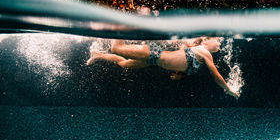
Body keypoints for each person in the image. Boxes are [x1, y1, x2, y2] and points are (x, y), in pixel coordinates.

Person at [87, 37, 239, 99]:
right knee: (116, 49)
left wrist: (181, 74)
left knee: (124, 64)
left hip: (153, 60)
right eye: (217, 40)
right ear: (206, 41)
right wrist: (228, 89)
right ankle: (117, 23)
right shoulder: (204, 51)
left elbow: (182, 60)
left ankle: (97, 54)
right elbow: (216, 76)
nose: (220, 43)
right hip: (154, 53)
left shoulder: (197, 51)